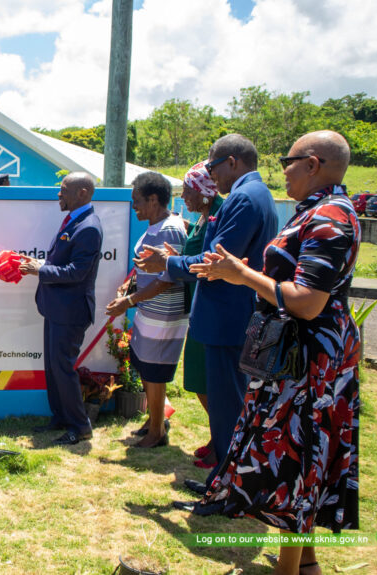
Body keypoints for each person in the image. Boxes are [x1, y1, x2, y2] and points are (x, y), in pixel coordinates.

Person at [188, 131, 361, 575]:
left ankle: (290, 570)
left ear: (313, 164)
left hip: (308, 360)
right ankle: (305, 564)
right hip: (294, 352)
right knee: (292, 457)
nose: (281, 167)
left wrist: (242, 273)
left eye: (289, 159)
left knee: (296, 462)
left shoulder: (330, 217)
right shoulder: (314, 211)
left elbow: (306, 300)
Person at [135, 134, 279, 487]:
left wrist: (168, 262)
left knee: (228, 407)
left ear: (232, 161)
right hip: (228, 316)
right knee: (229, 403)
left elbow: (215, 262)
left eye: (213, 167)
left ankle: (227, 487)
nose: (212, 177)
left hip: (226, 318)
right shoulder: (254, 195)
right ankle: (226, 480)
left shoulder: (244, 198)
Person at [19, 171, 103, 446]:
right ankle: (61, 417)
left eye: (64, 189)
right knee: (54, 367)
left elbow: (76, 272)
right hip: (56, 308)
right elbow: (62, 261)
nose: (59, 193)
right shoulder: (75, 220)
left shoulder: (88, 226)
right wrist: (39, 262)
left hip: (71, 312)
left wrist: (40, 269)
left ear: (82, 193)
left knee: (63, 367)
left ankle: (80, 426)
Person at [105, 171, 188, 448]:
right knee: (146, 369)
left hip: (164, 315)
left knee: (155, 373)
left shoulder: (170, 230)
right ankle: (155, 421)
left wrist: (129, 302)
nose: (134, 207)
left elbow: (168, 279)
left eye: (137, 201)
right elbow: (145, 267)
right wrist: (129, 286)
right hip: (149, 312)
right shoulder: (156, 226)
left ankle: (156, 433)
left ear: (154, 200)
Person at [179, 162, 224, 469]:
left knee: (209, 380)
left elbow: (209, 261)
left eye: (187, 191)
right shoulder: (202, 217)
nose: (183, 197)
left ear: (204, 192)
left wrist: (172, 261)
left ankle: (225, 443)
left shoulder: (218, 216)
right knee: (199, 379)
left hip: (213, 311)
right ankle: (218, 438)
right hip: (199, 308)